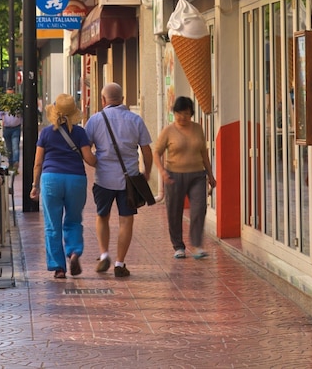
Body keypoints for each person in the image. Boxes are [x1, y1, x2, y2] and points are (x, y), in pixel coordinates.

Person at [85, 82, 153, 278]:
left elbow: (85, 149)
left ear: (103, 100)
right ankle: (119, 263)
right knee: (126, 220)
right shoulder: (135, 119)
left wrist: (95, 162)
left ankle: (104, 254)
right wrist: (146, 172)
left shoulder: (94, 120)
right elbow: (146, 151)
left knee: (102, 216)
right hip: (129, 180)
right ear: (123, 99)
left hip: (103, 178)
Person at [29, 93, 96, 279]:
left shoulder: (46, 133)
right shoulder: (80, 133)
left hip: (51, 179)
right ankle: (74, 252)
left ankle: (58, 267)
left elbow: (38, 163)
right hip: (76, 179)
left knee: (52, 224)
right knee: (74, 220)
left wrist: (35, 185)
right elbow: (89, 159)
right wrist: (103, 160)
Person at [153, 96, 215, 260]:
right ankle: (178, 246)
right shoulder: (168, 131)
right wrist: (162, 172)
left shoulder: (198, 128)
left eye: (186, 114)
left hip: (197, 175)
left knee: (199, 208)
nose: (182, 117)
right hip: (174, 175)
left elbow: (204, 153)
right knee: (174, 211)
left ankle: (197, 245)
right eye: (179, 113)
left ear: (191, 114)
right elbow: (157, 153)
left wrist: (210, 174)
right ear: (174, 113)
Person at [0, 88, 22, 172]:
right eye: (8, 95)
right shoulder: (4, 104)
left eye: (11, 94)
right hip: (7, 128)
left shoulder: (18, 104)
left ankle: (15, 163)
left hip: (16, 128)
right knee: (8, 148)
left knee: (15, 147)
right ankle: (11, 164)